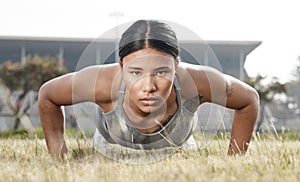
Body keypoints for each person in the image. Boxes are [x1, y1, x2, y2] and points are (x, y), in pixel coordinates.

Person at [38, 20, 259, 159]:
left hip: (177, 148)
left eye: (162, 72)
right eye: (136, 72)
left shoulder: (198, 83)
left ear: (176, 66)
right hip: (112, 146)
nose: (149, 86)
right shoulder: (102, 83)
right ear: (122, 66)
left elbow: (249, 99)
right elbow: (48, 95)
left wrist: (235, 159)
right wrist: (59, 159)